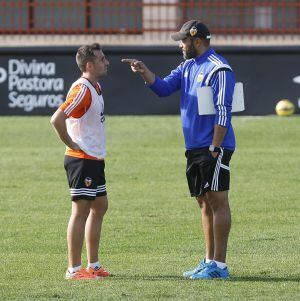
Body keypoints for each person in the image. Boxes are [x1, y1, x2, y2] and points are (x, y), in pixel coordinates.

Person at [122, 20, 236, 280]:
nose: (181, 45)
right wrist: (144, 71)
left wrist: (215, 147)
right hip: (195, 147)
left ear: (197, 40)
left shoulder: (219, 69)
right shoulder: (187, 66)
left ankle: (220, 265)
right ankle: (209, 261)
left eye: (184, 40)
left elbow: (223, 110)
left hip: (213, 147)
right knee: (204, 202)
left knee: (218, 201)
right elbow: (162, 89)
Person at [50, 43, 110, 280]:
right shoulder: (83, 89)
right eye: (102, 59)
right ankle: (73, 269)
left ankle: (93, 265)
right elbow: (57, 119)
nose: (106, 62)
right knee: (80, 211)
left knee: (100, 206)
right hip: (81, 159)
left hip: (94, 157)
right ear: (89, 65)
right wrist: (71, 143)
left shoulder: (96, 86)